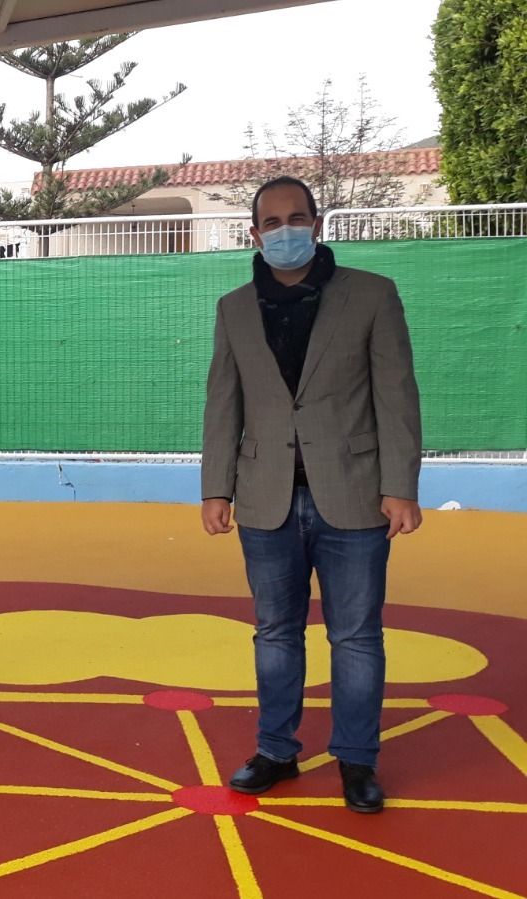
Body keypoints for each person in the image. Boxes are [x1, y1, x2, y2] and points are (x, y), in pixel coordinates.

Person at [202, 177, 423, 813]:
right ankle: (276, 750)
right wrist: (216, 487)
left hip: (354, 497)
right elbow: (224, 403)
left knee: (355, 637)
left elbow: (397, 396)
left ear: (318, 224)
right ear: (254, 233)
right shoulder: (234, 308)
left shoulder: (372, 296)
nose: (285, 230)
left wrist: (400, 486)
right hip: (264, 497)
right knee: (274, 632)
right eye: (271, 222)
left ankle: (357, 761)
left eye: (296, 218)